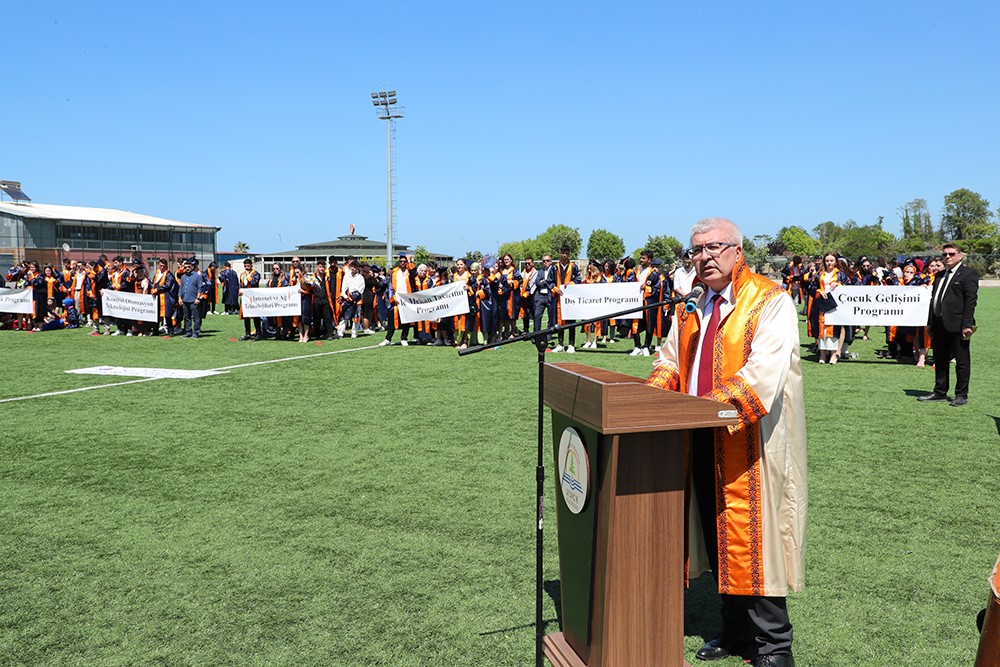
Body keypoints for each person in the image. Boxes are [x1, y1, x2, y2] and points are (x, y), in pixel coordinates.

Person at [646, 217, 806, 667]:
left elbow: (762, 375)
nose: (705, 256)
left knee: (756, 541)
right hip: (697, 442)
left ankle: (774, 646)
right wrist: (652, 397)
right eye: (696, 250)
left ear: (738, 250)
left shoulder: (769, 301)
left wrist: (702, 409)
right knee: (719, 540)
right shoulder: (692, 306)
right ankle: (735, 632)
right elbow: (670, 360)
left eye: (715, 247)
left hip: (750, 442)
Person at [919, 243, 978, 407]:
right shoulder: (939, 275)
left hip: (959, 325)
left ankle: (961, 394)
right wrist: (930, 322)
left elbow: (970, 301)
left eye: (951, 254)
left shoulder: (968, 274)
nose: (947, 257)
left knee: (962, 361)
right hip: (939, 324)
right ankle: (940, 391)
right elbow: (934, 301)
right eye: (944, 254)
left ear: (960, 255)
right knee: (940, 359)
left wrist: (967, 324)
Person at [178, 258, 203, 339]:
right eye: (185, 267)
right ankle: (188, 332)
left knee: (196, 317)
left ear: (192, 267)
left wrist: (198, 298)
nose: (187, 268)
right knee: (187, 317)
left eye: (189, 267)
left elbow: (200, 288)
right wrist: (179, 298)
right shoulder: (183, 277)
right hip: (185, 300)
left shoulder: (197, 276)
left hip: (193, 300)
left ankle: (196, 332)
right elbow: (181, 288)